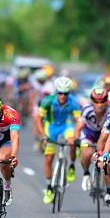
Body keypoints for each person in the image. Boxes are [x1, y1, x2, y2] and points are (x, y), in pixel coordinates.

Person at [36, 76, 82, 204]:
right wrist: (43, 136)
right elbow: (38, 119)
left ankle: (72, 165)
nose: (62, 96)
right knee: (49, 158)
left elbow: (78, 120)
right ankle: (49, 187)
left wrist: (77, 134)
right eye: (60, 93)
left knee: (72, 141)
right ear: (56, 92)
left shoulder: (73, 102)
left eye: (65, 93)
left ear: (69, 93)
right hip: (51, 126)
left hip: (66, 126)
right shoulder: (47, 101)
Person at [75, 88, 110, 191]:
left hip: (105, 135)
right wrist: (76, 139)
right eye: (96, 101)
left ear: (106, 100)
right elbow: (78, 127)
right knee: (87, 153)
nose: (99, 104)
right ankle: (86, 173)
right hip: (90, 134)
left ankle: (109, 186)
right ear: (91, 100)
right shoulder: (86, 109)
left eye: (102, 101)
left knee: (107, 157)